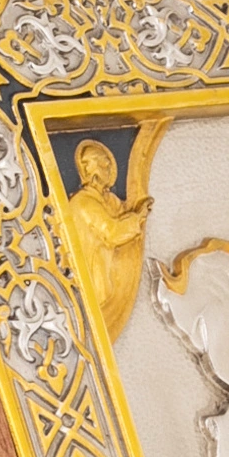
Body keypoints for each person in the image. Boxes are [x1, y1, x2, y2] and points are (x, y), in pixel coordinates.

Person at [67, 140, 151, 337]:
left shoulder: (105, 200)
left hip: (107, 279)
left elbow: (119, 211)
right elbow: (112, 232)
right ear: (93, 172)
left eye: (108, 164)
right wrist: (138, 218)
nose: (110, 170)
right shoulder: (82, 202)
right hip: (90, 285)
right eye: (105, 166)